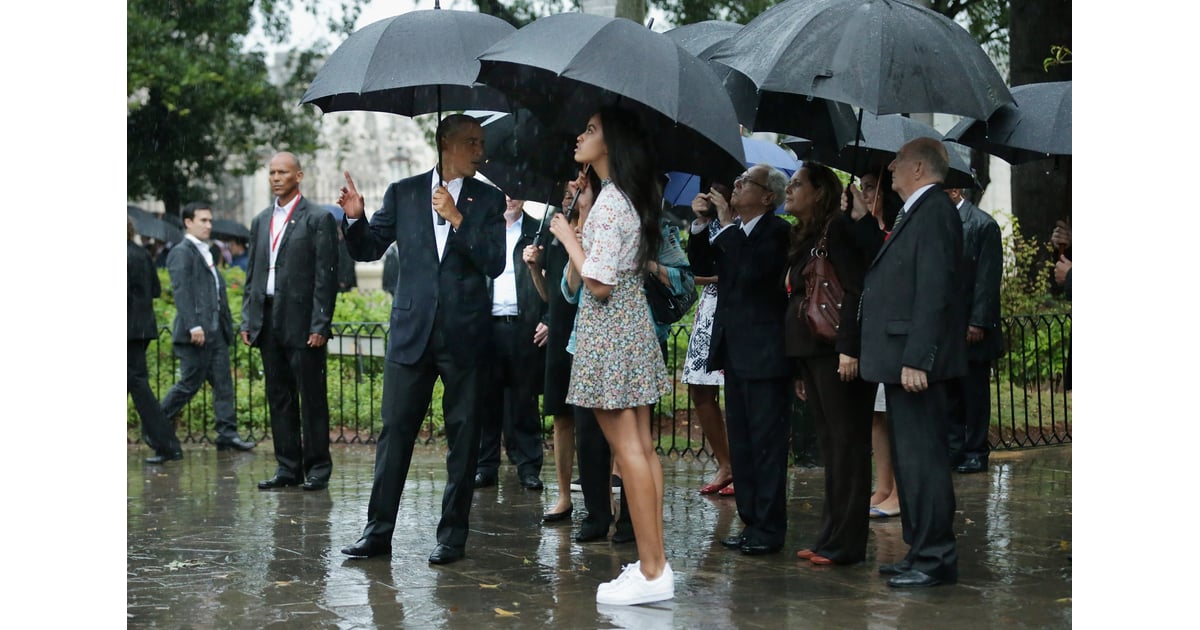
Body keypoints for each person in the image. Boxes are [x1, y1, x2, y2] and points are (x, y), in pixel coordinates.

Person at [337, 114, 505, 565]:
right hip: (411, 334)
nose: (480, 151)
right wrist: (354, 218)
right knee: (395, 434)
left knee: (464, 438)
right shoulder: (404, 192)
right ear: (446, 143)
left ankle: (452, 536)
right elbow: (369, 247)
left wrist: (456, 218)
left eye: (482, 143)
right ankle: (377, 533)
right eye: (473, 142)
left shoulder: (488, 199)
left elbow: (494, 262)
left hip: (465, 336)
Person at [547, 106, 673, 606]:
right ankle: (654, 563)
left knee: (629, 452)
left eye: (592, 130)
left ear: (611, 143)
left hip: (611, 328)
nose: (580, 135)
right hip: (629, 325)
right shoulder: (623, 197)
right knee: (640, 448)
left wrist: (566, 236)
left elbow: (596, 284)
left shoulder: (611, 203)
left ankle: (652, 569)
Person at [859, 137, 967, 588]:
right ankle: (918, 550)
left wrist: (919, 357)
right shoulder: (915, 211)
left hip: (918, 362)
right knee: (910, 461)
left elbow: (934, 289)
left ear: (920, 169)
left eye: (898, 162)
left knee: (924, 462)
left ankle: (935, 558)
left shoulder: (935, 211)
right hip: (901, 358)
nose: (891, 169)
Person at [688, 163, 793, 557]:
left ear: (767, 196)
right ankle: (751, 520)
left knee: (766, 443)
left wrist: (727, 223)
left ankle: (769, 525)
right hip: (735, 352)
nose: (735, 186)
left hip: (766, 354)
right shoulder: (735, 233)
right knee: (744, 444)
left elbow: (752, 274)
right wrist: (702, 225)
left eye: (745, 182)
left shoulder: (778, 232)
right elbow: (702, 266)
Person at [783, 163, 883, 566]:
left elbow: (857, 286)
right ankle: (829, 535)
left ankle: (846, 543)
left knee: (848, 446)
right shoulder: (804, 235)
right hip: (810, 353)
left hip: (835, 352)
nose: (789, 189)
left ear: (820, 191)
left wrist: (849, 347)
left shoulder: (839, 227)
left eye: (797, 184)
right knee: (830, 446)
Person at [241, 152, 339, 492]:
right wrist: (248, 319)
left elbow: (326, 277)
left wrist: (320, 324)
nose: (276, 177)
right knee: (278, 395)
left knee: (311, 397)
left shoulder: (318, 218)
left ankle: (317, 468)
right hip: (268, 318)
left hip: (302, 320)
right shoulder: (260, 220)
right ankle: (287, 467)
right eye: (271, 172)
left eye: (283, 172)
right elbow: (252, 271)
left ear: (298, 175)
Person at [159, 202, 257, 453]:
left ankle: (227, 435)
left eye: (210, 221)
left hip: (215, 332)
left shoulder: (207, 251)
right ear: (188, 222)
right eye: (203, 220)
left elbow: (213, 291)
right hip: (196, 334)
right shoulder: (182, 252)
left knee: (223, 385)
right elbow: (182, 292)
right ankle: (155, 425)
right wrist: (194, 326)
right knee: (188, 385)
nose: (209, 225)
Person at [473, 196, 548, 492]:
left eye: (516, 193)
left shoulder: (538, 231)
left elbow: (555, 279)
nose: (509, 198)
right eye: (503, 192)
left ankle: (528, 467)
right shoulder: (483, 229)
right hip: (488, 325)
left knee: (525, 401)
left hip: (524, 326)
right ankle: (485, 465)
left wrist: (549, 318)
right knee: (486, 400)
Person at [849, 171, 904, 518]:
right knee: (876, 416)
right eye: (863, 187)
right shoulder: (864, 227)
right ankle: (883, 485)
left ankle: (899, 491)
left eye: (871, 187)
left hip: (891, 331)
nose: (866, 193)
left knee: (895, 415)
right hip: (869, 329)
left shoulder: (897, 227)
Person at [945, 188, 1004, 474]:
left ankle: (976, 450)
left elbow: (987, 278)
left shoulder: (982, 224)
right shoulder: (940, 222)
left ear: (955, 191)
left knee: (975, 392)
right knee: (952, 390)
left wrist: (978, 321)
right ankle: (955, 448)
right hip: (948, 325)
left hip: (971, 324)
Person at [684, 183, 734, 496]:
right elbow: (698, 268)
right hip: (710, 309)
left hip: (738, 310)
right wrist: (701, 222)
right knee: (699, 388)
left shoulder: (745, 223)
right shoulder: (712, 223)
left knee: (738, 392)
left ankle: (745, 466)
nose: (712, 193)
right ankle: (726, 462)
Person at [129, 217, 182, 465]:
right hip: (141, 329)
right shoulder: (141, 253)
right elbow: (155, 290)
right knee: (137, 384)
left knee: (139, 387)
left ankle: (167, 444)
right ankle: (166, 442)